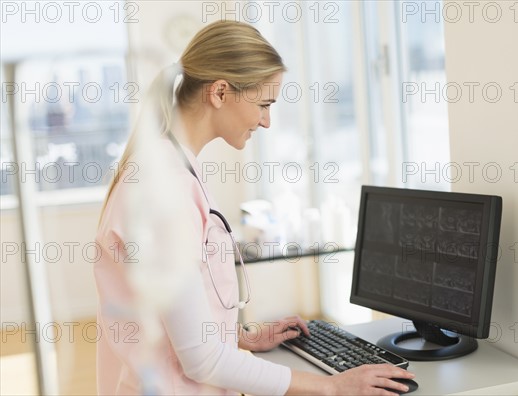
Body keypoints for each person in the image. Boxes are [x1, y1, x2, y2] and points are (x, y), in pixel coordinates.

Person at [95, 20, 416, 395]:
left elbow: (167, 316)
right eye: (263, 104)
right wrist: (332, 386)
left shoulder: (169, 166)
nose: (267, 121)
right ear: (219, 92)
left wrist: (241, 335)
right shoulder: (161, 188)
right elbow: (202, 361)